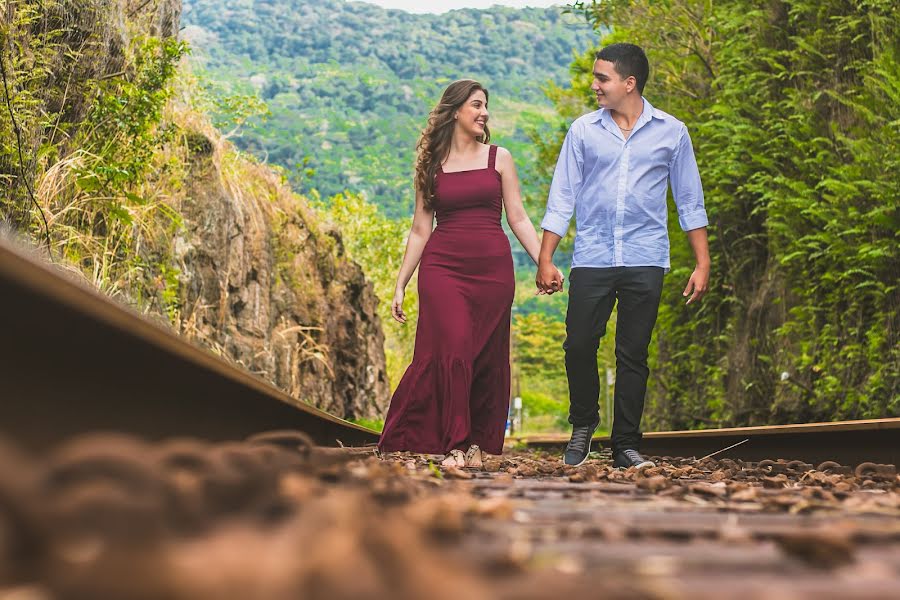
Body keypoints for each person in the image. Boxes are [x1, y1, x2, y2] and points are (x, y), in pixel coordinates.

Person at [535, 43, 710, 469]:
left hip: (645, 257)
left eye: (602, 79)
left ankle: (626, 444)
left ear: (629, 83)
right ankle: (583, 424)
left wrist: (702, 263)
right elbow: (562, 198)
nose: (594, 85)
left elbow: (689, 200)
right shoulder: (582, 131)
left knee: (633, 354)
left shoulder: (673, 132)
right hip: (593, 256)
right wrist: (545, 258)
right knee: (578, 344)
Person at [378, 79, 562, 469]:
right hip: (442, 268)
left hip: (493, 271)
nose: (484, 113)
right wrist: (400, 282)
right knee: (455, 347)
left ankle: (478, 441)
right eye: (477, 105)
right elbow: (419, 229)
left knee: (487, 356)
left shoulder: (500, 158)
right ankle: (455, 444)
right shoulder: (432, 165)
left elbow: (518, 217)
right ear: (456, 110)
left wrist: (544, 260)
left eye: (486, 106)